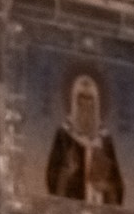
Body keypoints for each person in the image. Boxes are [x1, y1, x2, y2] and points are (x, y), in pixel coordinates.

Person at [46, 73, 125, 206]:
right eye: (82, 106)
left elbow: (117, 186)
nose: (86, 113)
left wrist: (105, 186)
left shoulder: (105, 139)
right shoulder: (64, 135)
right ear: (74, 105)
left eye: (90, 107)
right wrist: (67, 172)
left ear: (97, 107)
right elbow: (52, 177)